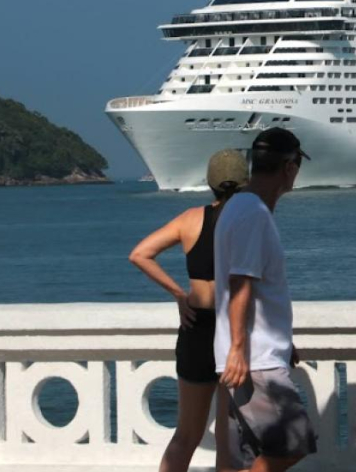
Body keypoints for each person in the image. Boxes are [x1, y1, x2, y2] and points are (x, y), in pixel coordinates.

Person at [129, 149, 248, 472]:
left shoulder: (190, 219)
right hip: (231, 330)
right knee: (229, 437)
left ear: (210, 183)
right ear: (245, 182)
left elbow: (140, 254)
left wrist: (179, 295)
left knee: (186, 434)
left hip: (195, 327)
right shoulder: (248, 220)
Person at [215, 128, 317, 472]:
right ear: (289, 168)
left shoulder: (239, 207)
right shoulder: (254, 214)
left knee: (242, 455)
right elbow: (240, 282)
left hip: (251, 353)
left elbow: (254, 289)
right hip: (254, 360)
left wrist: (284, 342)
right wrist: (240, 349)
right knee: (294, 442)